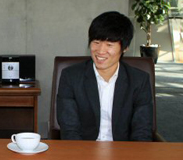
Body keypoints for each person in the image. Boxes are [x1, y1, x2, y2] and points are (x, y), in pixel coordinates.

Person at [57, 11, 153, 141]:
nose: (100, 51)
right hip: (83, 151)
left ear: (125, 48)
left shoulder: (139, 80)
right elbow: (70, 129)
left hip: (123, 153)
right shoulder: (71, 77)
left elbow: (142, 131)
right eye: (96, 42)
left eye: (109, 45)